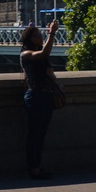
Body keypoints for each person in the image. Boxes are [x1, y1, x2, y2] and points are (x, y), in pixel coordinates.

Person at [21, 19, 60, 179]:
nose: (41, 37)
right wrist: (52, 33)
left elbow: (49, 71)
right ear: (30, 39)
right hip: (35, 97)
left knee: (41, 133)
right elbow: (44, 53)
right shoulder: (26, 54)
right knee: (34, 134)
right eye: (38, 35)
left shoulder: (41, 56)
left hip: (46, 96)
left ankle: (38, 166)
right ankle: (33, 168)